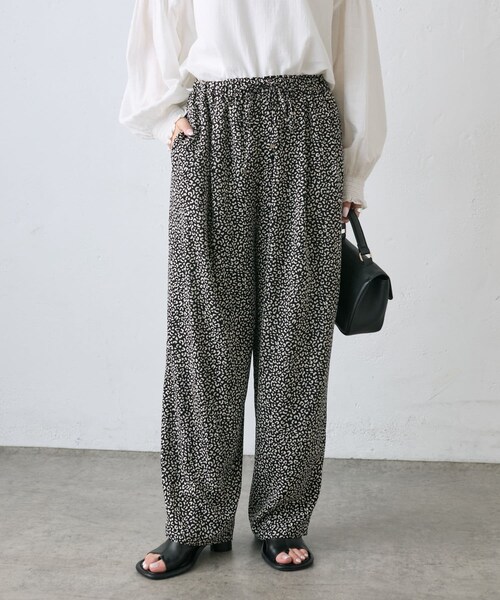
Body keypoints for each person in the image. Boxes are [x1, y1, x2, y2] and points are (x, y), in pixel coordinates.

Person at [119, 0, 386, 578]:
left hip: (306, 129)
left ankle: (282, 517)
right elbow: (158, 22)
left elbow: (355, 50)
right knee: (203, 337)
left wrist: (353, 169)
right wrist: (164, 118)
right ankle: (195, 519)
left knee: (297, 338)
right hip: (213, 126)